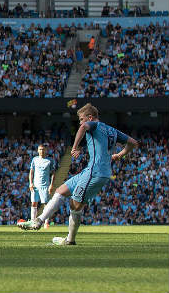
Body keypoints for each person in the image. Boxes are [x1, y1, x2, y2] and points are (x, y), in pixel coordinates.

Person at [18, 103, 138, 245]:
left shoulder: (93, 125)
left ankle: (70, 240)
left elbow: (83, 127)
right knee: (61, 190)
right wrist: (119, 155)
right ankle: (38, 221)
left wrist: (75, 147)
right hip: (91, 171)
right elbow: (132, 142)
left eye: (82, 119)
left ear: (90, 117)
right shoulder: (111, 130)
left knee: (75, 204)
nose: (80, 122)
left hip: (95, 172)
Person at [28, 144, 56, 229]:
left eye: (43, 149)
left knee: (45, 204)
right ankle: (33, 221)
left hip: (45, 185)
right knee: (34, 203)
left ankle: (46, 222)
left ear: (46, 150)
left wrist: (51, 185)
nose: (41, 151)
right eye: (40, 149)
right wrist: (31, 183)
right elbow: (31, 172)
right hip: (35, 185)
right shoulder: (35, 160)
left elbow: (53, 173)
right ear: (37, 150)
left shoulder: (49, 160)